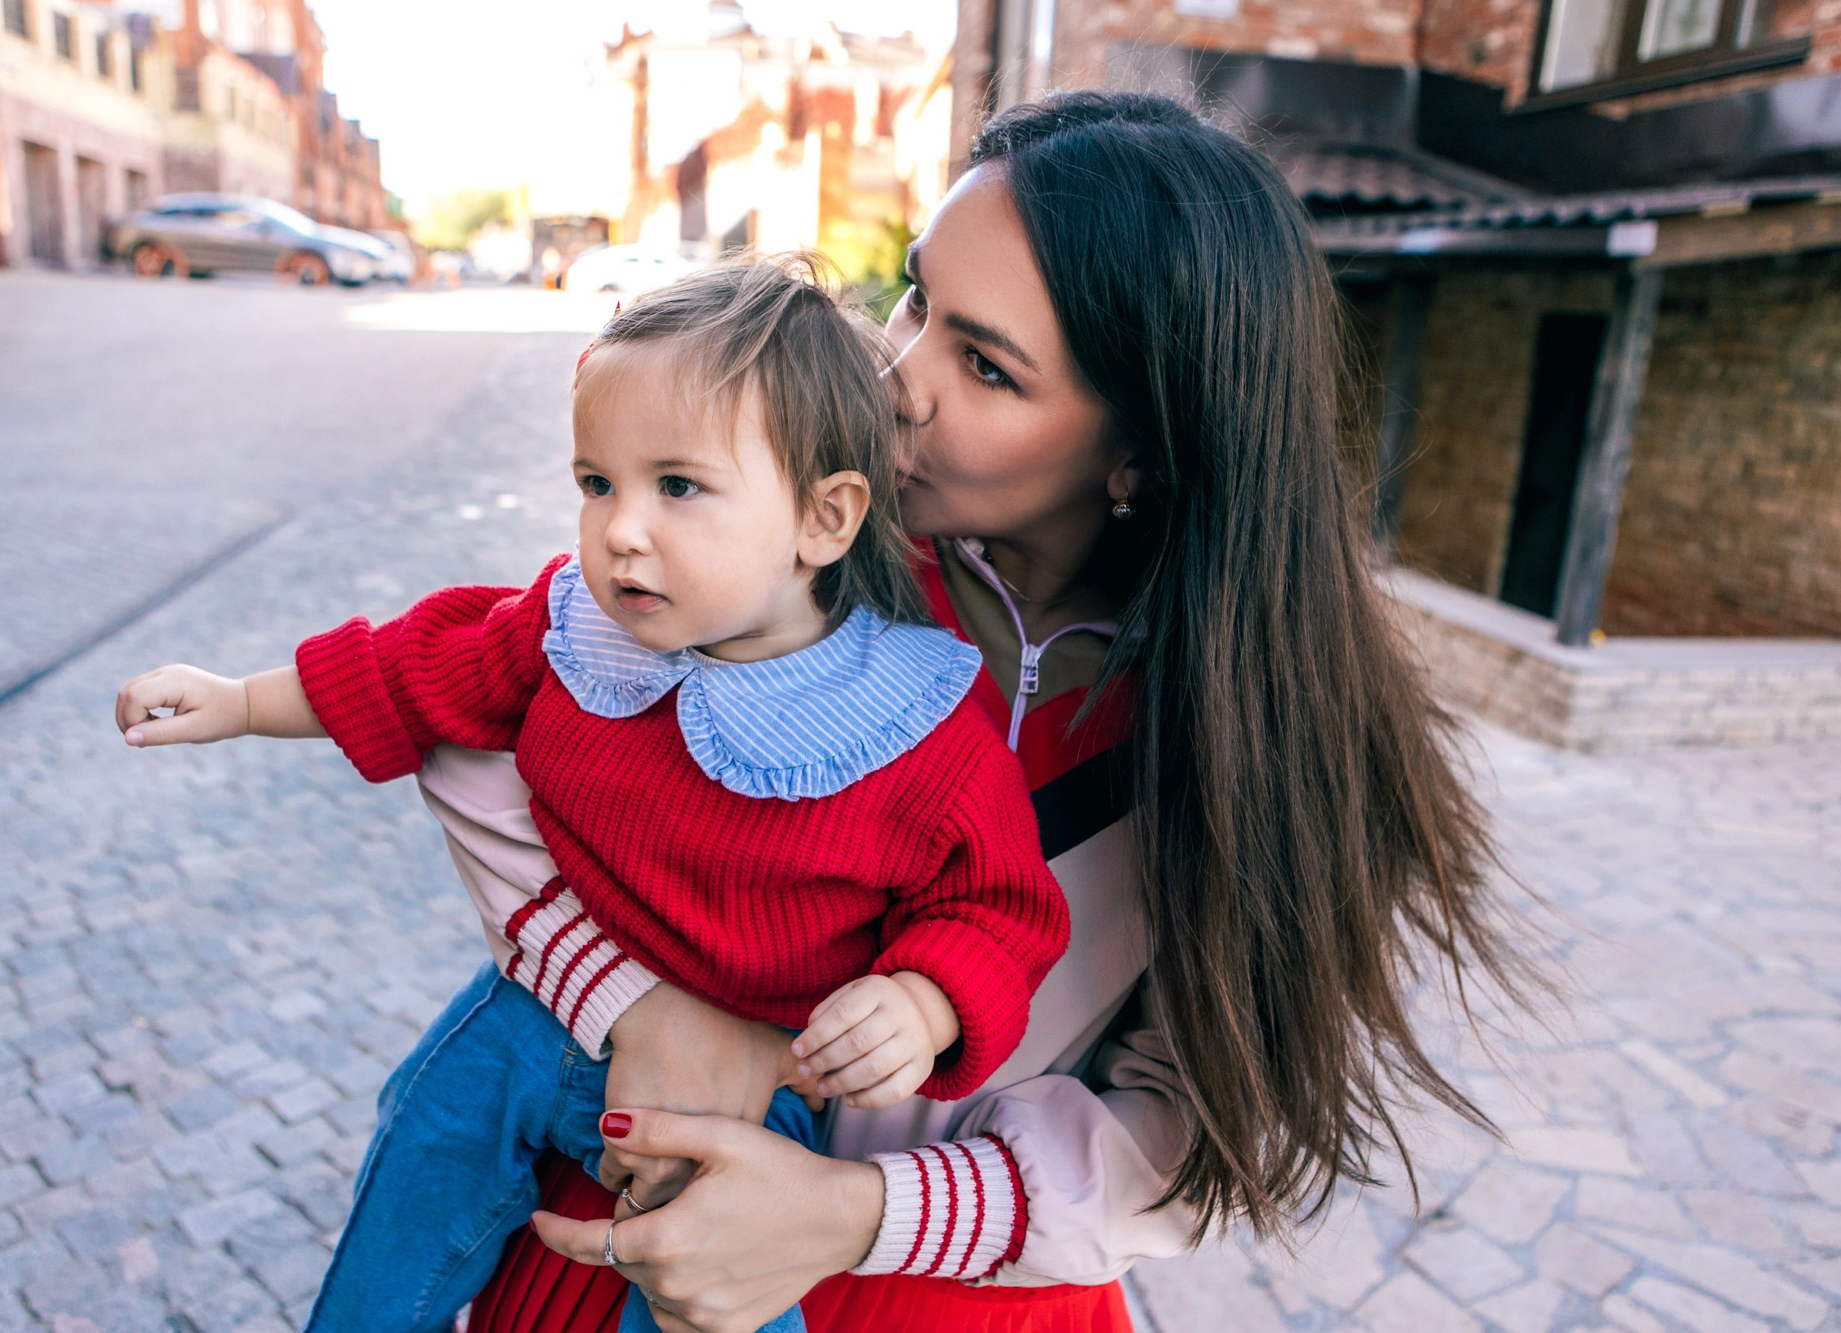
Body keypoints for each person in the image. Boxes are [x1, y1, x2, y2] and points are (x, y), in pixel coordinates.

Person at [454, 90, 1543, 1333]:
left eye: (983, 364)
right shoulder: (775, 565)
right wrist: (629, 1003)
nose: (893, 378)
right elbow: (479, 728)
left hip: (967, 1298)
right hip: (644, 1229)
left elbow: (1193, 1135)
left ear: (1139, 447)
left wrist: (865, 1209)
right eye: (913, 298)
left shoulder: (1248, 736)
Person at [111, 258, 1074, 1333]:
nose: (620, 528)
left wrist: (922, 1000)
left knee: (710, 1288)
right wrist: (241, 700)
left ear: (823, 517)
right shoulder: (572, 627)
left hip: (743, 1090)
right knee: (427, 1143)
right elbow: (411, 668)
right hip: (539, 1017)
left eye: (677, 486)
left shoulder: (913, 722)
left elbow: (999, 908)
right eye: (595, 481)